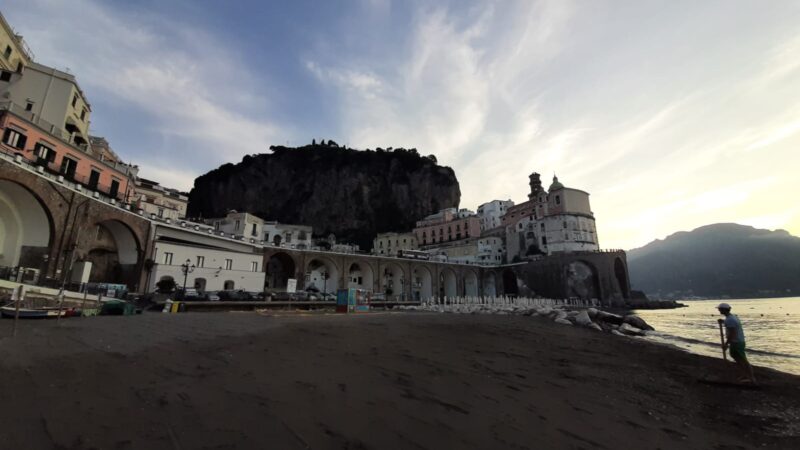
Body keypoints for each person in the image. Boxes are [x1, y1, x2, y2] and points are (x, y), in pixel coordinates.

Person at [717, 303, 757, 385]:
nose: (719, 310)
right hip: (736, 342)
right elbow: (732, 325)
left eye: (720, 309)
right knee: (738, 359)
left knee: (743, 360)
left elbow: (732, 333)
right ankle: (744, 375)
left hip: (737, 342)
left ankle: (752, 378)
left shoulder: (730, 320)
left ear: (724, 310)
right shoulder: (732, 317)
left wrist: (726, 344)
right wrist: (723, 321)